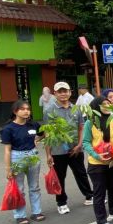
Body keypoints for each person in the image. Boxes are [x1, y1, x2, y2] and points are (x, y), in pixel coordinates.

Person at [44, 82, 94, 214]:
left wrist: (79, 145)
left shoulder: (76, 108)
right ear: (54, 94)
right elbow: (48, 133)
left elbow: (81, 127)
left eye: (65, 91)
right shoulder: (49, 110)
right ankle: (61, 202)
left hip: (75, 149)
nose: (63, 94)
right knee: (60, 177)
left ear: (70, 92)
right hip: (58, 151)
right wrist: (48, 154)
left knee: (81, 173)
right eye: (59, 91)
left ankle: (89, 196)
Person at [82, 97, 113, 224]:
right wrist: (96, 155)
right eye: (104, 104)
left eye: (109, 103)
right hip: (97, 163)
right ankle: (101, 221)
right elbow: (86, 142)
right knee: (99, 192)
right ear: (96, 107)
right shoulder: (90, 122)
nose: (107, 105)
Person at [0, 100, 44, 224]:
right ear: (15, 111)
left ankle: (36, 212)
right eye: (23, 109)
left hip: (33, 156)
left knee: (34, 187)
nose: (26, 111)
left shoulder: (33, 125)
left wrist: (37, 140)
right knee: (19, 189)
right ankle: (20, 215)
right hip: (17, 157)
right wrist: (8, 168)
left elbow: (44, 133)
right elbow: (7, 150)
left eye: (28, 109)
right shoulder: (8, 129)